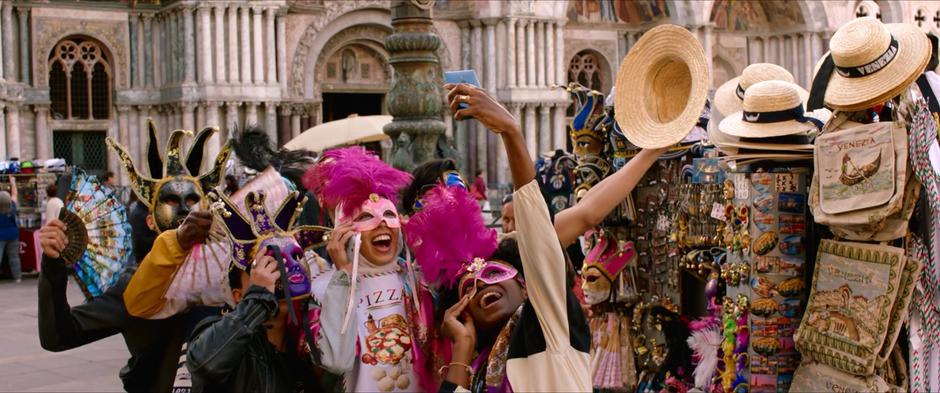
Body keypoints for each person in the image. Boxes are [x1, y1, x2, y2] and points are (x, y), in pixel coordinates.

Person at [422, 82, 591, 392]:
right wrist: (462, 345)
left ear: (525, 285)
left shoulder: (550, 328)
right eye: (468, 289)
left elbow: (537, 232)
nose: (481, 284)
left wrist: (511, 132)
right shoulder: (480, 369)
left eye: (494, 272)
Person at [304, 146, 437, 392]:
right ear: (346, 231)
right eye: (366, 218)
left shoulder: (419, 281)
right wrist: (344, 277)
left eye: (389, 214)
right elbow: (335, 362)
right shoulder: (323, 289)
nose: (382, 223)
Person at [35, 210, 208, 392]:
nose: (189, 214)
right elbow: (59, 335)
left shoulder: (225, 279)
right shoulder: (133, 288)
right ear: (150, 221)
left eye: (194, 202)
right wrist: (52, 265)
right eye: (172, 203)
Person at [186, 189, 327, 392]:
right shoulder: (218, 334)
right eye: (266, 265)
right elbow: (203, 364)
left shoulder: (303, 344)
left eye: (292, 260)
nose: (280, 272)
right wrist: (258, 298)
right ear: (238, 294)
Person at [0, 176, 20, 283]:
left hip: (1, 235)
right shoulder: (12, 206)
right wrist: (13, 182)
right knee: (14, 257)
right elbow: (15, 194)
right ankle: (17, 277)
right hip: (13, 234)